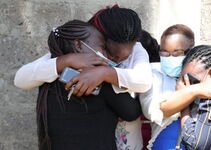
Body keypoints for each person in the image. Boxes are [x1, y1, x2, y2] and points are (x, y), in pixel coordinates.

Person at [14, 6, 151, 150]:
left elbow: (143, 80)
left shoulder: (135, 51)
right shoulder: (63, 62)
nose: (111, 59)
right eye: (107, 50)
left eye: (121, 57)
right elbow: (21, 78)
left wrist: (103, 73)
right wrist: (66, 60)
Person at [36, 20, 141, 150]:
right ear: (79, 45)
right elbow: (131, 112)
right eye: (102, 46)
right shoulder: (95, 78)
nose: (106, 54)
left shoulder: (47, 76)